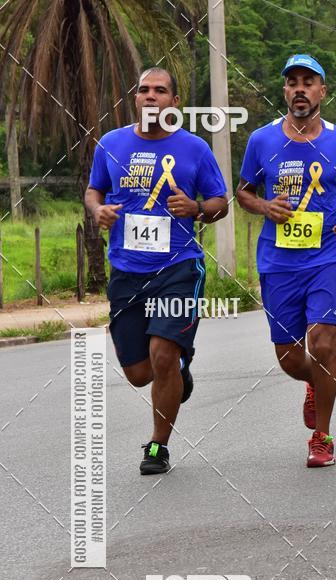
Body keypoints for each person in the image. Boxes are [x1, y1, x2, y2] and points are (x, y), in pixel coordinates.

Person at [236, 54, 336, 466]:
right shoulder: (261, 140)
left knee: (321, 344)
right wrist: (264, 206)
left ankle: (323, 436)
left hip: (328, 257)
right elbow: (243, 191)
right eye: (292, 82)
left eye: (308, 82)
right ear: (285, 90)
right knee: (290, 357)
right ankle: (315, 383)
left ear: (322, 91)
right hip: (278, 262)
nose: (300, 88)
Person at [85, 67, 228, 474]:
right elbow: (94, 189)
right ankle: (181, 369)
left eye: (160, 91)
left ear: (174, 102)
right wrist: (98, 209)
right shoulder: (111, 144)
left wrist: (197, 209)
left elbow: (221, 201)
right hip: (126, 272)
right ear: (135, 98)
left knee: (162, 355)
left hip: (178, 268)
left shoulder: (195, 149)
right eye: (144, 90)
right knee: (138, 373)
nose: (151, 96)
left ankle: (157, 447)